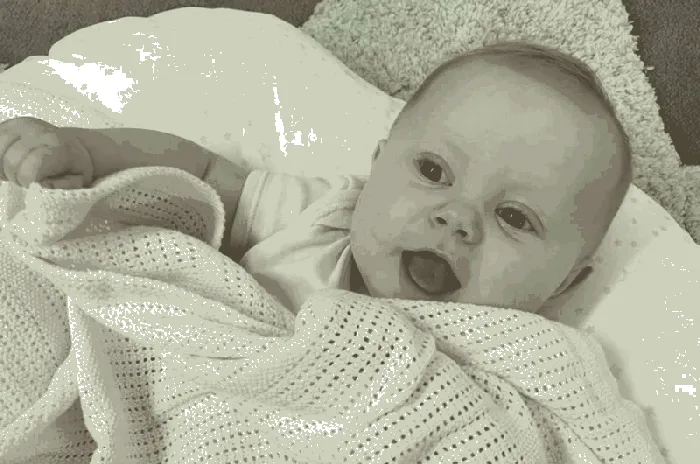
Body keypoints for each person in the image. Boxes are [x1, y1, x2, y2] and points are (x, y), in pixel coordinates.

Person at [0, 41, 632, 314]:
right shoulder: (320, 218)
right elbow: (199, 172)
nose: (457, 219)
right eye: (433, 171)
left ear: (564, 283)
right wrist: (86, 151)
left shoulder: (513, 359)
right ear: (377, 166)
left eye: (515, 217)